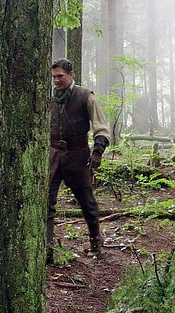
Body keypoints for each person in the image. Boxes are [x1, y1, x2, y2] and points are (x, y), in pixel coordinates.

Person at [47, 58, 111, 263]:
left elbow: (101, 127)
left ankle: (95, 243)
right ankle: (46, 248)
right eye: (54, 77)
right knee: (47, 202)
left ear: (71, 75)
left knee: (86, 202)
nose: (57, 80)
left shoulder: (85, 96)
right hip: (52, 156)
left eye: (60, 76)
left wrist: (97, 152)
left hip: (77, 155)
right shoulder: (47, 97)